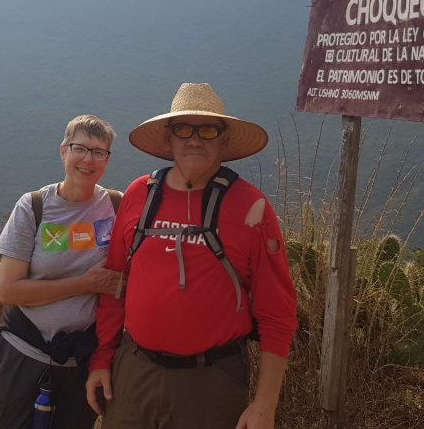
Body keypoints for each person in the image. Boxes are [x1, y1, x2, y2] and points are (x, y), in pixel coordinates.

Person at [85, 83, 297, 429]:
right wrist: (101, 360)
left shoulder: (251, 207)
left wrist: (265, 404)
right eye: (183, 129)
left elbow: (278, 313)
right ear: (168, 139)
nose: (194, 140)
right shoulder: (140, 195)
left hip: (213, 381)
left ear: (224, 140)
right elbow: (114, 286)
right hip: (134, 372)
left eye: (208, 130)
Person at [0, 114, 122, 429]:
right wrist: (85, 284)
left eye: (99, 152)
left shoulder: (116, 206)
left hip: (80, 360)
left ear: (107, 159)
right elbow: (9, 291)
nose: (88, 160)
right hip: (22, 352)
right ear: (63, 151)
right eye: (80, 149)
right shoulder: (33, 207)